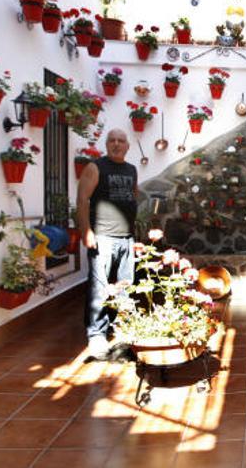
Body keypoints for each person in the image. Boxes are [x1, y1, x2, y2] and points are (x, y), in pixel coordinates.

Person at [77, 128, 138, 360]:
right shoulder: (96, 167)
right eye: (112, 140)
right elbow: (82, 199)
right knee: (99, 289)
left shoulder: (132, 170)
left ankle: (123, 331)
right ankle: (96, 336)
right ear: (106, 144)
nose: (116, 144)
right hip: (102, 237)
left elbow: (133, 196)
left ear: (127, 146)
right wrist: (86, 232)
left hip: (126, 237)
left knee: (125, 287)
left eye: (121, 141)